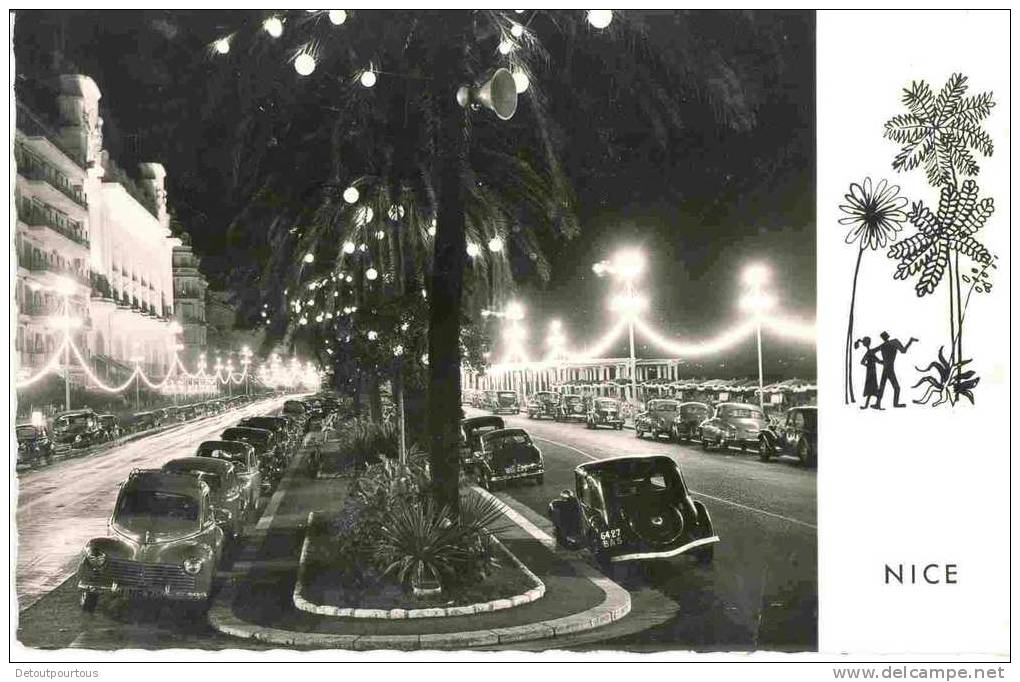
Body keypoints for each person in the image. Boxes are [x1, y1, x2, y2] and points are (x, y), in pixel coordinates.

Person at [874, 332, 918, 408]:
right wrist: (910, 341)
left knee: (882, 386)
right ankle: (894, 404)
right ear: (888, 336)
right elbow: (903, 351)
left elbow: (871, 352)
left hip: (886, 368)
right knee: (896, 387)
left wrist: (880, 361)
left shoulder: (883, 345)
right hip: (889, 368)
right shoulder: (894, 342)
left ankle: (878, 404)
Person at [855, 337, 882, 410]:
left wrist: (867, 365)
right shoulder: (870, 352)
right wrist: (883, 362)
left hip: (870, 371)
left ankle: (870, 405)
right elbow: (877, 361)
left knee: (872, 389)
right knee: (873, 389)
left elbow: (863, 362)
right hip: (871, 372)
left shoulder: (869, 352)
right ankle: (875, 405)